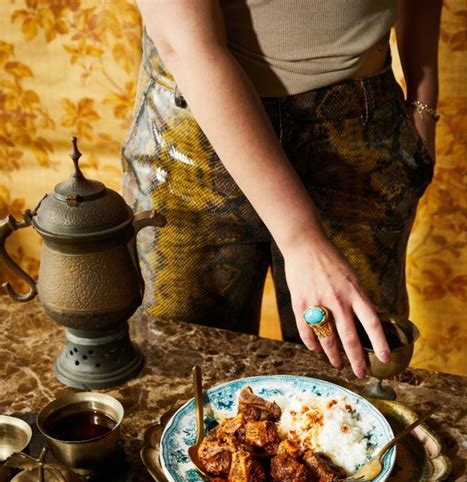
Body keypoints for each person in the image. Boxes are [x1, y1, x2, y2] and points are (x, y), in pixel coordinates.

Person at [121, 0, 441, 379]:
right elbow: (187, 47)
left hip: (361, 133)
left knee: (355, 380)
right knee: (185, 373)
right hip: (195, 132)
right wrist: (303, 240)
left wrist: (423, 103)